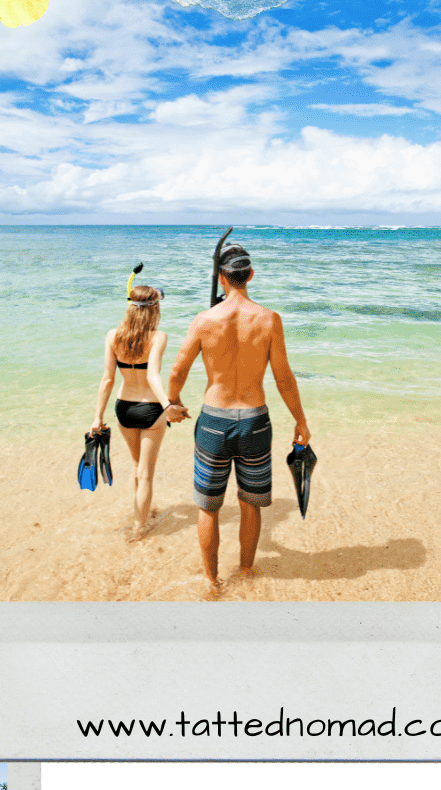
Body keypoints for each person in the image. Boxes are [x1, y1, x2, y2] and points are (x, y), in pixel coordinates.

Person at [166, 244, 311, 593]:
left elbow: (177, 371)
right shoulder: (269, 319)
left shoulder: (204, 320)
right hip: (255, 422)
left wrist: (172, 403)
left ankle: (212, 581)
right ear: (250, 276)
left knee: (209, 508)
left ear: (221, 278)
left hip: (214, 422)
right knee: (250, 503)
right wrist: (301, 422)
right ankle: (246, 571)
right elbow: (284, 378)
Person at [91, 271, 189, 536]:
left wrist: (97, 417)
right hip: (150, 409)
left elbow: (107, 379)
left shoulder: (113, 335)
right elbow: (153, 375)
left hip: (124, 408)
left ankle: (140, 512)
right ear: (154, 309)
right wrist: (167, 405)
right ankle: (139, 527)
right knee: (146, 473)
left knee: (137, 467)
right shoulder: (158, 337)